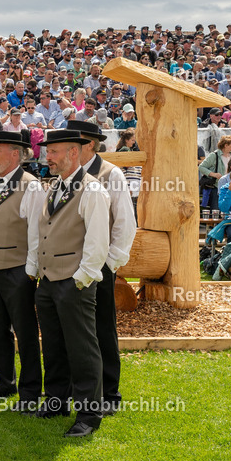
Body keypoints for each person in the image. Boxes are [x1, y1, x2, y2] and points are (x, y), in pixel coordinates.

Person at [33, 130, 110, 437]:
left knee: (82, 349)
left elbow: (97, 241)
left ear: (74, 153)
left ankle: (89, 415)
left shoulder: (92, 190)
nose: (47, 157)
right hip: (49, 280)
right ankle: (56, 401)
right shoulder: (54, 186)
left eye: (53, 152)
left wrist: (81, 279)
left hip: (74, 282)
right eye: (47, 151)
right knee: (53, 346)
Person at [67, 119, 137, 415]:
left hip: (99, 268)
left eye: (74, 143)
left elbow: (124, 222)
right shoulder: (67, 175)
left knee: (102, 330)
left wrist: (110, 263)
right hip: (69, 266)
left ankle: (109, 392)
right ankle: (77, 387)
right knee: (73, 329)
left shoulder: (112, 174)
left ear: (90, 145)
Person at [0, 132, 44, 409]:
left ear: (15, 154)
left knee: (25, 333)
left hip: (18, 270)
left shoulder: (31, 186)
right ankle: (4, 382)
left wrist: (30, 270)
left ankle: (29, 393)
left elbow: (37, 232)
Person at [199, 135, 231, 211]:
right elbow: (201, 167)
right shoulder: (214, 155)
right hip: (216, 187)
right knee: (216, 210)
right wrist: (213, 174)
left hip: (230, 187)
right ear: (226, 145)